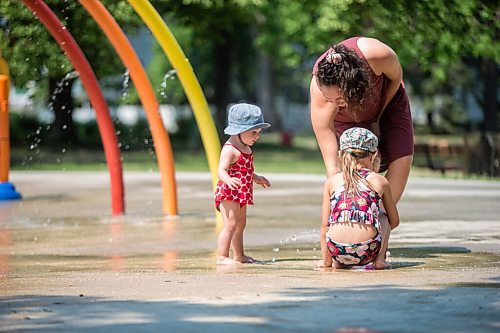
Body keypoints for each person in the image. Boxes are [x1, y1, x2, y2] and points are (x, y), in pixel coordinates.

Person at [310, 36, 413, 205]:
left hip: (386, 98)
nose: (336, 105)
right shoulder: (320, 93)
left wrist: (378, 116)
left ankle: (381, 214)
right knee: (356, 162)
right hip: (348, 120)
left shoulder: (376, 55)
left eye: (339, 99)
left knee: (401, 156)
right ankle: (356, 211)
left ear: (352, 86)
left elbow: (396, 77)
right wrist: (339, 207)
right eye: (331, 100)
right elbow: (333, 167)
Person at [317, 127, 399, 270]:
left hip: (336, 250)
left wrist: (326, 261)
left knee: (333, 222)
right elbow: (395, 220)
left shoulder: (332, 182)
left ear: (341, 154)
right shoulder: (380, 181)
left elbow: (324, 226)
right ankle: (380, 261)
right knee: (384, 217)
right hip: (367, 250)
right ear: (374, 155)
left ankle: (337, 262)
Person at [215, 103, 272, 265]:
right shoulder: (230, 149)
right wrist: (228, 180)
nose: (257, 136)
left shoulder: (245, 147)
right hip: (229, 192)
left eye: (259, 133)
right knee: (231, 225)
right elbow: (221, 170)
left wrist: (256, 177)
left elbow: (245, 170)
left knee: (240, 225)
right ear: (239, 131)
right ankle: (222, 256)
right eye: (254, 132)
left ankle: (239, 255)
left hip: (242, 193)